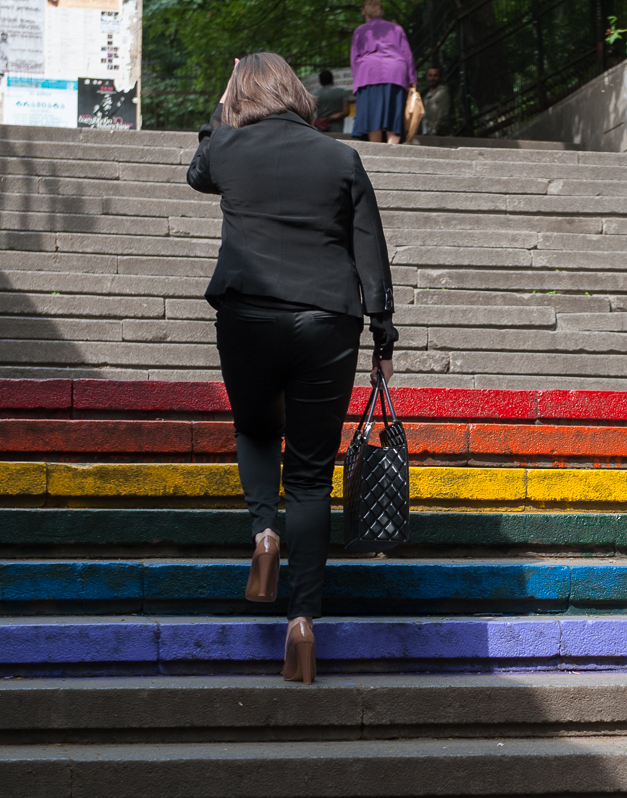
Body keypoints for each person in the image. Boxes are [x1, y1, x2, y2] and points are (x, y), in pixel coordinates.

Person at [186, 53, 399, 685]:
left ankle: (263, 534)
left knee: (255, 429)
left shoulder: (227, 147)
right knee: (309, 475)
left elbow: (197, 172)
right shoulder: (340, 158)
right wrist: (383, 332)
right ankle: (303, 623)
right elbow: (371, 249)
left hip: (249, 312)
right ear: (297, 92)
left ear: (242, 95)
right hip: (328, 318)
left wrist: (223, 113)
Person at [350, 0, 415, 144]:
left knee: (373, 116)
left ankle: (377, 148)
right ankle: (393, 149)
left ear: (365, 13)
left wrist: (357, 82)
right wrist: (412, 80)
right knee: (394, 114)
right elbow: (407, 54)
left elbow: (354, 58)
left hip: (369, 74)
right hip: (396, 72)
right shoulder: (396, 29)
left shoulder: (361, 30)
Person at [421, 67, 451, 136]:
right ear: (427, 78)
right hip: (425, 132)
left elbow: (444, 112)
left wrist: (435, 129)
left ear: (440, 78)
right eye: (430, 75)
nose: (432, 78)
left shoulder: (442, 92)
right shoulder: (426, 95)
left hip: (436, 133)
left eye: (435, 76)